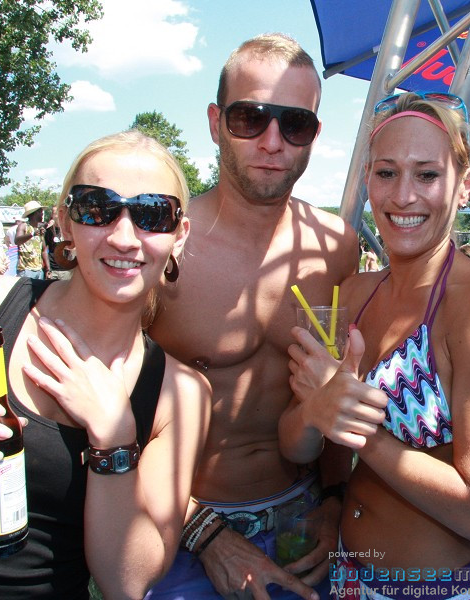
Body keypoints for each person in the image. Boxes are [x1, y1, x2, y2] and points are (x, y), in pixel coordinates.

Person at [0, 130, 211, 599]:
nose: (124, 237)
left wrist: (116, 440)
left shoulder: (179, 394)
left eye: (152, 215)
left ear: (179, 235)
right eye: (97, 208)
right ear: (65, 222)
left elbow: (126, 582)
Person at [280, 91, 470, 599]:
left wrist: (355, 427)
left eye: (427, 175)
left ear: (464, 186)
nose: (402, 196)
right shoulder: (353, 295)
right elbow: (295, 443)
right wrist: (314, 414)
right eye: (386, 173)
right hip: (349, 580)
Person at [146, 34, 357, 600]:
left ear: (314, 134)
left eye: (295, 124)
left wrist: (335, 499)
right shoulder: (162, 247)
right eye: (249, 117)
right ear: (216, 122)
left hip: (304, 517)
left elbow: (333, 388)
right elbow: (114, 414)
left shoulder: (338, 246)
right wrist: (205, 534)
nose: (272, 141)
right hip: (186, 525)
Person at [15, 201, 48, 279]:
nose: (42, 214)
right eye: (41, 212)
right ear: (36, 213)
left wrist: (48, 268)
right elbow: (17, 241)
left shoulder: (40, 229)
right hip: (25, 270)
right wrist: (33, 234)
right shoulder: (23, 226)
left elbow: (43, 250)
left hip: (39, 271)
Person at [43, 205, 73, 280]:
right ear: (52, 215)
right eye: (54, 212)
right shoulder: (48, 231)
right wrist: (48, 269)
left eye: (58, 212)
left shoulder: (69, 231)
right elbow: (44, 250)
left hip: (67, 270)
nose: (56, 215)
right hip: (53, 270)